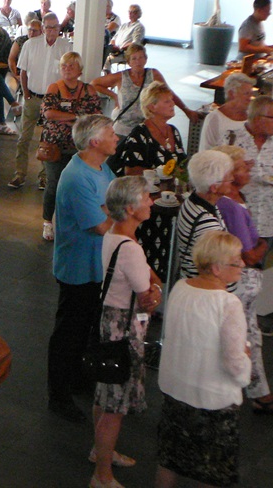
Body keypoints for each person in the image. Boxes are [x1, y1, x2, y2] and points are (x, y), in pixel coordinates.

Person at [156, 231, 251, 488]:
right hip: (213, 399)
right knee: (212, 471)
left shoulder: (179, 287)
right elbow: (234, 361)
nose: (243, 264)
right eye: (236, 260)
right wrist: (246, 362)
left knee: (169, 459)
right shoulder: (228, 303)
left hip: (175, 390)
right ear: (217, 268)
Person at [90, 176, 162, 488]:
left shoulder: (113, 236)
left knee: (104, 392)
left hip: (110, 320)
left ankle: (100, 452)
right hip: (124, 326)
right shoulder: (131, 249)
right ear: (131, 208)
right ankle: (102, 475)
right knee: (114, 407)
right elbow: (148, 296)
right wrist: (156, 291)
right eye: (146, 197)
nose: (151, 201)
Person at [48, 114, 118, 422]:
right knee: (69, 333)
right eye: (111, 134)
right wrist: (111, 210)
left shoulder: (101, 167)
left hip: (95, 264)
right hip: (78, 266)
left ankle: (76, 377)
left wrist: (108, 208)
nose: (116, 137)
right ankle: (58, 394)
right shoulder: (78, 177)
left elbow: (113, 203)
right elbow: (102, 225)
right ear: (95, 142)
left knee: (86, 327)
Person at [212, 145, 273, 412]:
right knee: (249, 334)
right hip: (243, 277)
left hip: (239, 275)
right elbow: (250, 255)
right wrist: (262, 246)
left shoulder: (232, 199)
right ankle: (257, 391)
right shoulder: (233, 206)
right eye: (241, 167)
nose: (248, 169)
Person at [39, 52, 102, 241]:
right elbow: (49, 113)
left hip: (80, 146)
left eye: (71, 66)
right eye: (64, 66)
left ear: (79, 70)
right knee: (53, 184)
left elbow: (95, 115)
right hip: (55, 145)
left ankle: (73, 221)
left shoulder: (89, 90)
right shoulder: (54, 88)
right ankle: (47, 222)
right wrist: (76, 117)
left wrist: (66, 116)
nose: (67, 69)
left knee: (78, 185)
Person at [10, 12, 72, 190]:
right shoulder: (30, 44)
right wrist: (26, 93)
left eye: (55, 27)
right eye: (48, 27)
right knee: (24, 138)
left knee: (49, 140)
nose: (51, 31)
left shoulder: (66, 47)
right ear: (43, 28)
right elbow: (22, 71)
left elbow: (68, 75)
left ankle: (45, 176)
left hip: (53, 102)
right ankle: (20, 174)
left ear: (59, 28)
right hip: (33, 97)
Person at [92, 43, 196, 138]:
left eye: (141, 57)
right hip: (123, 128)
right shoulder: (121, 77)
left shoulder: (153, 74)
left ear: (146, 59)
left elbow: (169, 93)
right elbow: (95, 83)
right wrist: (114, 96)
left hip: (147, 127)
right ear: (128, 62)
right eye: (134, 58)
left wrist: (186, 110)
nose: (138, 61)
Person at [222, 95, 273, 244]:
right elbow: (218, 175)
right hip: (237, 222)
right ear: (258, 118)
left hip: (269, 223)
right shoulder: (231, 138)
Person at [176, 150, 233, 279]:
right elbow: (216, 269)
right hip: (203, 285)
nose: (233, 179)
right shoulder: (207, 224)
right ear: (214, 187)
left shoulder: (192, 200)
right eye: (228, 177)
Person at [111, 81, 187, 177]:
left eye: (171, 100)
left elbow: (182, 162)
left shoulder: (173, 131)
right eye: (167, 101)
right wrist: (160, 173)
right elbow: (130, 172)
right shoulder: (140, 134)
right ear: (152, 107)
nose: (173, 104)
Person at [200, 73, 254, 151]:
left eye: (251, 94)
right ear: (231, 94)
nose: (250, 98)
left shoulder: (252, 116)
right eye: (246, 94)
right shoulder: (214, 119)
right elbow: (206, 152)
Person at [104, 5, 145, 73]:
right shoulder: (124, 25)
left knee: (107, 60)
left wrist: (121, 48)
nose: (130, 14)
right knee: (101, 56)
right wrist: (112, 46)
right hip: (115, 51)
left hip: (126, 53)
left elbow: (135, 43)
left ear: (138, 14)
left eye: (133, 12)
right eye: (129, 12)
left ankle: (108, 80)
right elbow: (114, 38)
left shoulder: (139, 27)